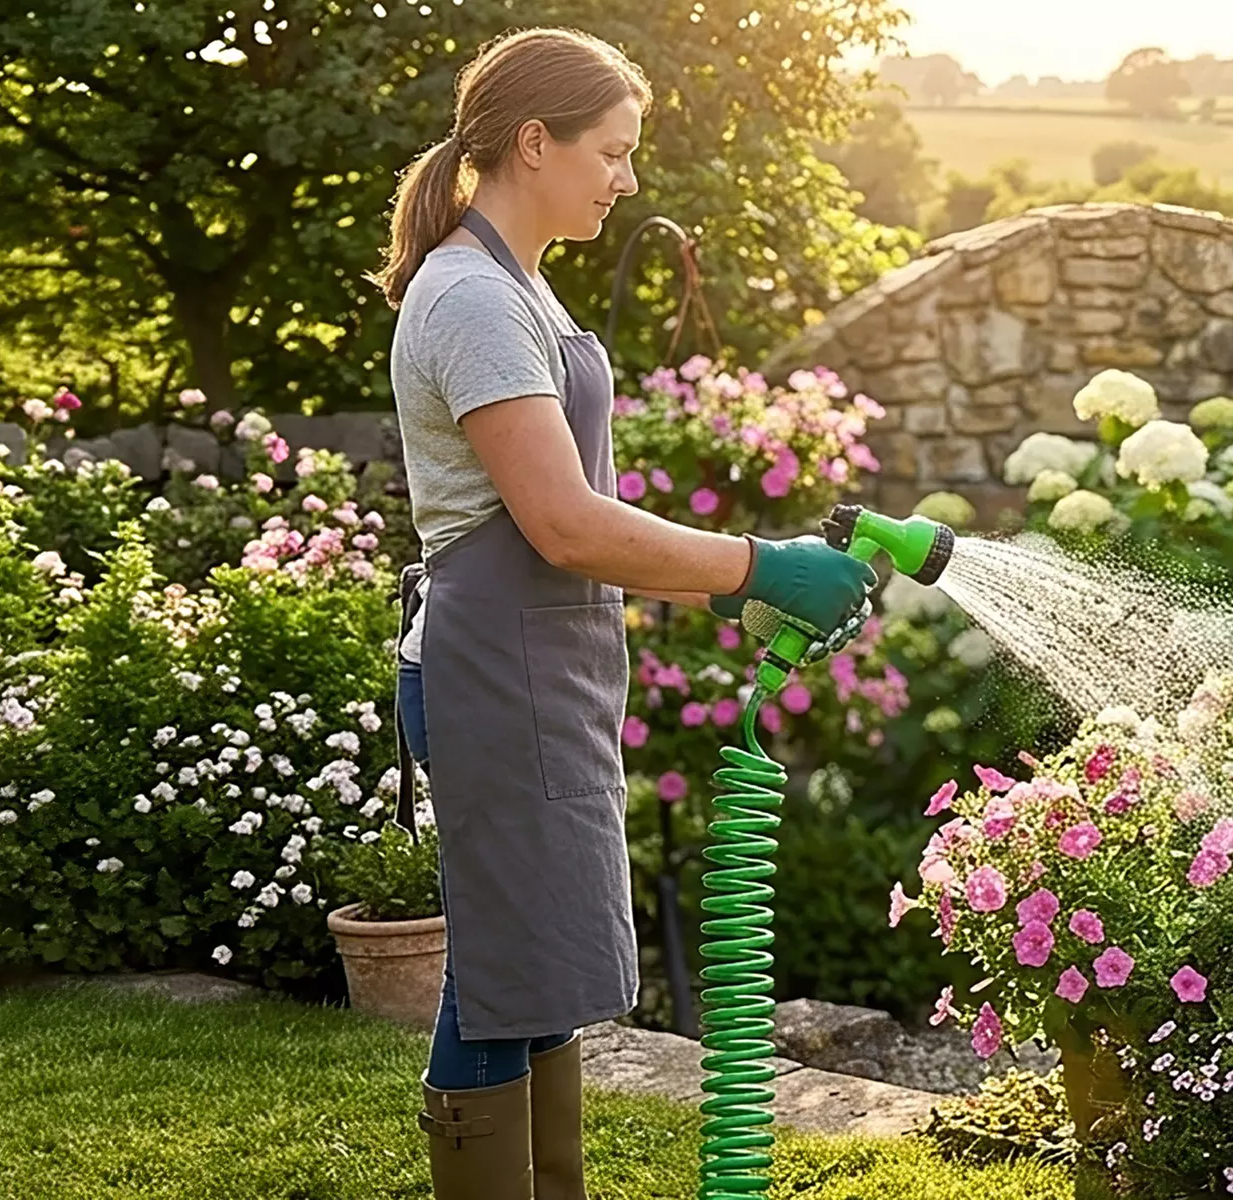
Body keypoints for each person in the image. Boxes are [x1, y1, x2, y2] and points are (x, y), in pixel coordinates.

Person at [369, 27, 875, 1200]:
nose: (630, 179)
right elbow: (564, 522)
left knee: (532, 970)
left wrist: (722, 582)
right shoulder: (472, 298)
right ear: (532, 142)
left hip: (541, 661)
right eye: (614, 151)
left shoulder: (515, 281)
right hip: (495, 669)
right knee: (503, 978)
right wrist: (756, 565)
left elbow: (581, 513)